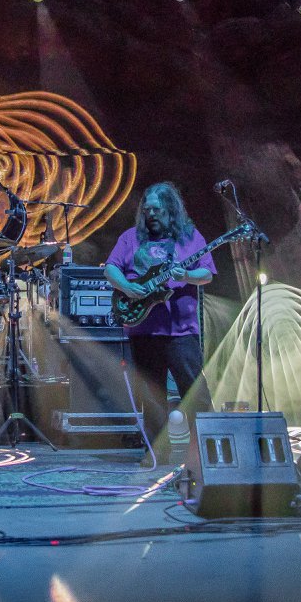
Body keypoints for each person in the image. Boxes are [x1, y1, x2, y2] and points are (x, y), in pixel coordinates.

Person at [103, 182, 215, 461]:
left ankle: (207, 451)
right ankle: (156, 452)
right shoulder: (131, 237)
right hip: (143, 330)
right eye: (147, 209)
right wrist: (127, 289)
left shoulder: (189, 237)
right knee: (152, 395)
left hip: (181, 331)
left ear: (171, 210)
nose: (151, 214)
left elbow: (207, 274)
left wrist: (185, 276)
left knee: (194, 393)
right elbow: (110, 268)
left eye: (157, 209)